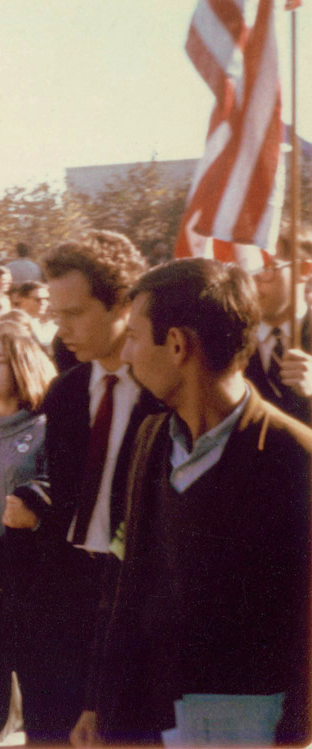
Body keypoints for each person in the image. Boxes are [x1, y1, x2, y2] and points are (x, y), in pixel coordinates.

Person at [76, 259, 311, 745]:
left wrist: (297, 734)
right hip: (149, 712)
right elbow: (124, 579)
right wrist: (100, 702)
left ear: (179, 345)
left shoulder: (294, 456)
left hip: (250, 723)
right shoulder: (149, 439)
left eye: (136, 337)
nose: (127, 352)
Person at [7, 230, 159, 745]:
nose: (61, 328)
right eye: (55, 313)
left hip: (135, 604)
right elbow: (71, 491)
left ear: (123, 303)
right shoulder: (66, 391)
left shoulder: (167, 396)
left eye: (75, 313)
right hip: (62, 599)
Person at [0, 323, 57, 742]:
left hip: (30, 573)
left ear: (22, 367)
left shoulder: (46, 430)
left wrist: (36, 513)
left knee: (39, 693)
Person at [243, 225, 312, 422]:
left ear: (304, 270)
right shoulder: (228, 340)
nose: (253, 281)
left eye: (266, 268)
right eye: (248, 267)